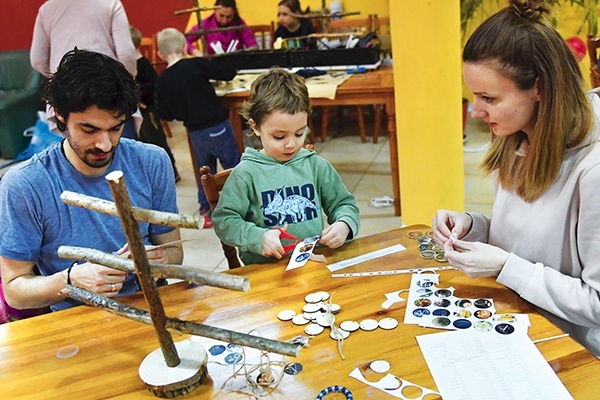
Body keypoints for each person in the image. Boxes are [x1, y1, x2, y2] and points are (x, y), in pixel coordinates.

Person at [432, 0, 600, 357]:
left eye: (488, 98)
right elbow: (535, 240)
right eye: (474, 96)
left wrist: (506, 267)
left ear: (538, 88)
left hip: (574, 352)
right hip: (517, 322)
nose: (476, 112)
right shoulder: (514, 137)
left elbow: (596, 304)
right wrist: (472, 226)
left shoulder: (593, 171)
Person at [0, 49, 183, 312]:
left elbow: (174, 252)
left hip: (148, 304)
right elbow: (15, 290)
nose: (105, 144)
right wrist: (71, 279)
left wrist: (159, 260)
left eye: (116, 128)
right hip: (76, 318)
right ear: (60, 116)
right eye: (89, 129)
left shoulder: (152, 161)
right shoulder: (25, 184)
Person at [212, 68, 360, 265]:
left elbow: (345, 205)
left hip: (312, 263)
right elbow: (224, 222)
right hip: (265, 272)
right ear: (255, 127)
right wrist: (257, 237)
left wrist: (344, 225)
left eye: (299, 133)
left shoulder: (315, 165)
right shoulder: (246, 174)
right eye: (279, 137)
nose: (291, 144)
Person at [155, 28, 240, 228]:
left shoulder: (163, 81)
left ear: (160, 54)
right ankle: (240, 203)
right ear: (185, 47)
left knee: (204, 171)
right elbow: (228, 73)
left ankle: (206, 209)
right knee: (232, 166)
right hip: (217, 125)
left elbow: (167, 114)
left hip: (195, 132)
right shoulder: (195, 64)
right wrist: (204, 58)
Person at [30, 0, 137, 77]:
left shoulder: (46, 9)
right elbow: (126, 54)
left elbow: (37, 60)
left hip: (63, 94)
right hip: (106, 89)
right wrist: (124, 83)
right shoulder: (111, 3)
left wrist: (59, 78)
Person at [129, 25, 180, 182]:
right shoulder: (127, 65)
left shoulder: (143, 64)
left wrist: (134, 90)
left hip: (149, 111)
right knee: (142, 144)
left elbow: (153, 85)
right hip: (136, 112)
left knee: (157, 143)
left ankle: (172, 172)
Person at [185, 0, 258, 56]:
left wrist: (247, 51)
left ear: (234, 14)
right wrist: (195, 51)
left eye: (229, 17)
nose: (224, 21)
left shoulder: (239, 23)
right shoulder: (205, 24)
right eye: (221, 15)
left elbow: (253, 45)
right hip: (212, 66)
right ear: (215, 11)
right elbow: (183, 40)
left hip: (235, 64)